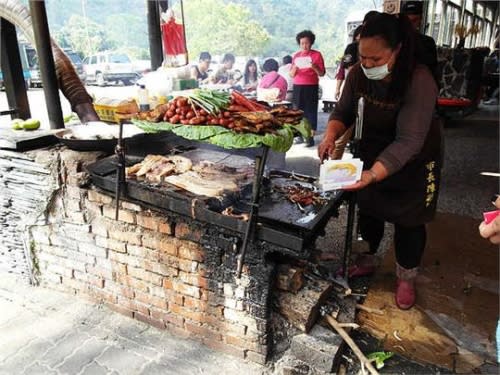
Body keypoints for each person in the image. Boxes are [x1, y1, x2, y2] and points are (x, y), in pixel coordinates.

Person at [318, 12, 442, 310]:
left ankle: (406, 276)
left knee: (409, 221)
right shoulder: (358, 73)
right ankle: (367, 257)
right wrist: (329, 135)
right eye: (363, 57)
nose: (368, 64)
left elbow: (409, 141)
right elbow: (343, 111)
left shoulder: (419, 80)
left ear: (396, 50)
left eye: (376, 59)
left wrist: (373, 174)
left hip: (415, 159)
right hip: (373, 149)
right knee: (370, 209)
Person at [290, 30, 325, 147]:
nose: (304, 46)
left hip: (311, 86)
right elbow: (291, 75)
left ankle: (310, 137)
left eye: (307, 43)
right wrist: (295, 68)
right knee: (297, 111)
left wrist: (314, 66)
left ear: (311, 43)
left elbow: (322, 73)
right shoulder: (296, 56)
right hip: (298, 86)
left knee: (310, 112)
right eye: (302, 43)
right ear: (299, 44)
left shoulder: (317, 55)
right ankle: (298, 135)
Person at [401, 0, 438, 83]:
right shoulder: (394, 40)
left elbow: (432, 72)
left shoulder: (428, 43)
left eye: (414, 20)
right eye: (407, 21)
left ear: (420, 20)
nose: (410, 24)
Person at [335, 25, 362, 101]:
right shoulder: (351, 47)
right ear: (357, 36)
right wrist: (337, 88)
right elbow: (343, 68)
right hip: (353, 83)